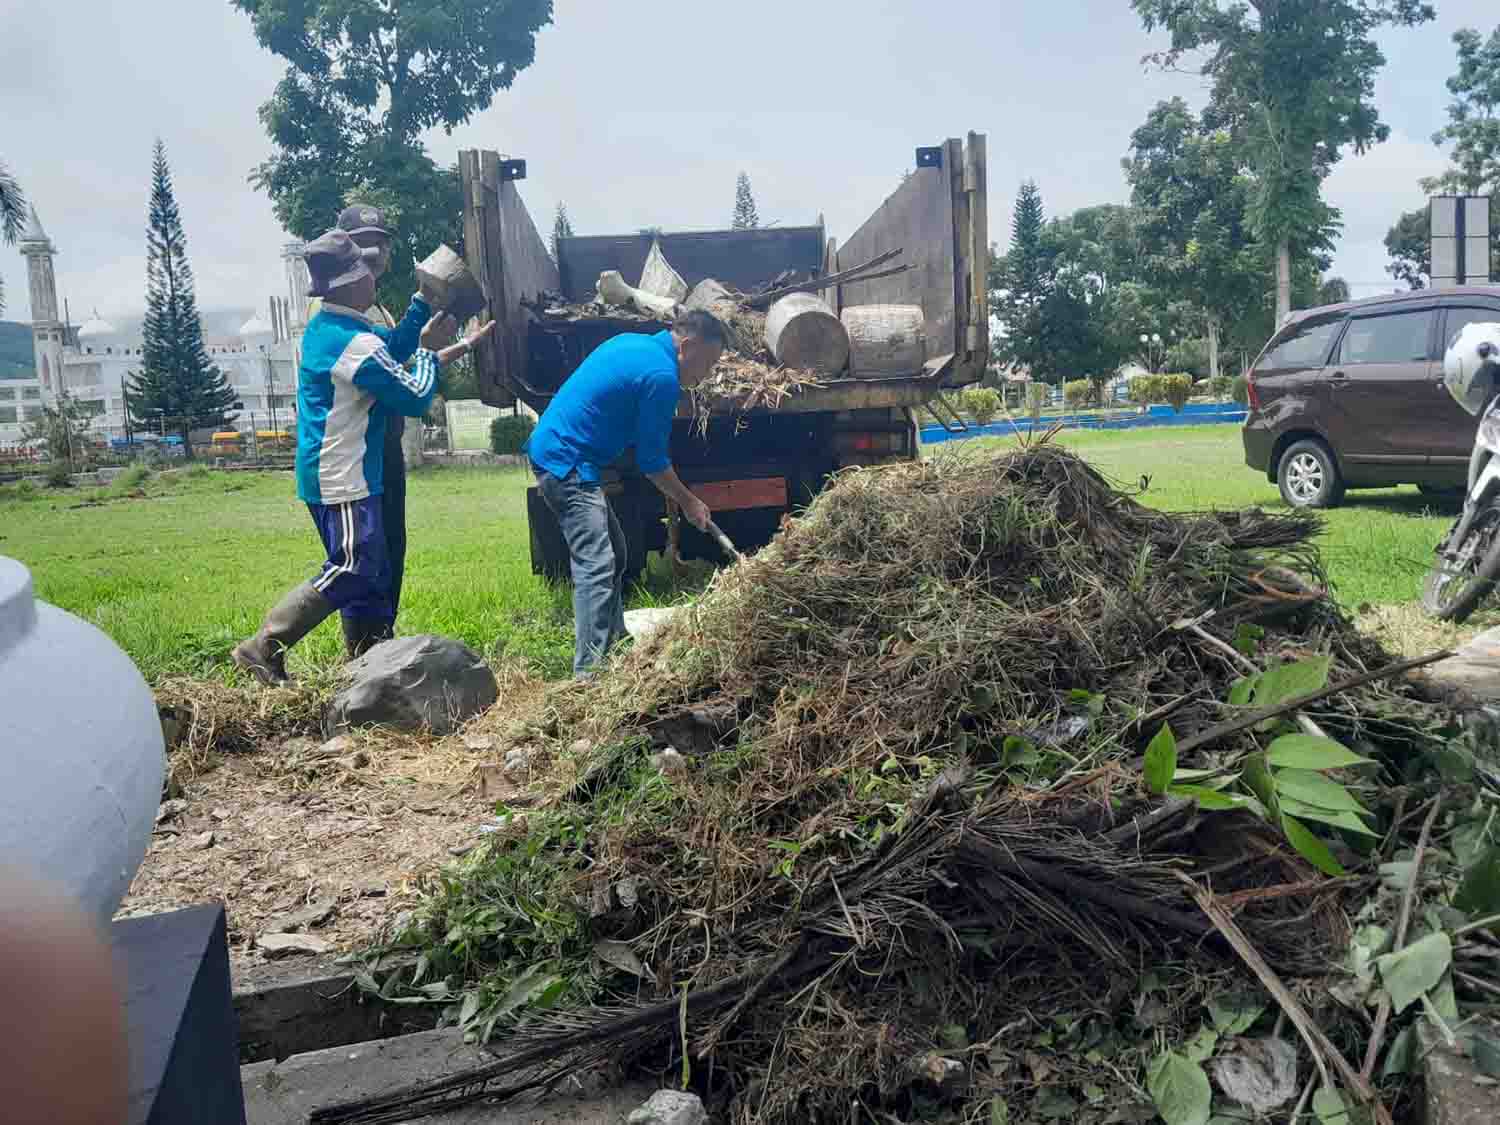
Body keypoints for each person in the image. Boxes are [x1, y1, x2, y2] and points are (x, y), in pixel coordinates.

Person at [232, 229, 492, 684]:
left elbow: (388, 352)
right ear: (353, 282)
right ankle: (264, 645)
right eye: (366, 269)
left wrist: (424, 310)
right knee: (355, 566)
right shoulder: (351, 342)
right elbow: (412, 395)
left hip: (339, 468)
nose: (375, 275)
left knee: (367, 573)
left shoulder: (336, 328)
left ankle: (364, 672)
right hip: (341, 472)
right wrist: (431, 353)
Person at [527, 309, 727, 677]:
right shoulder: (662, 377)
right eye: (709, 362)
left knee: (616, 553)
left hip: (564, 453)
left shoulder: (634, 345)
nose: (708, 374)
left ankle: (617, 644)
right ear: (688, 345)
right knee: (596, 565)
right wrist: (689, 501)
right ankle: (589, 676)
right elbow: (652, 462)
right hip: (567, 462)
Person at [305, 203, 415, 656]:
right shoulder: (346, 314)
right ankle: (365, 657)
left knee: (388, 554)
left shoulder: (377, 308)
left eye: (381, 243)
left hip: (380, 447)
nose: (376, 254)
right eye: (365, 246)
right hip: (349, 455)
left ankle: (378, 650)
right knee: (362, 564)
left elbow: (396, 356)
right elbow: (401, 384)